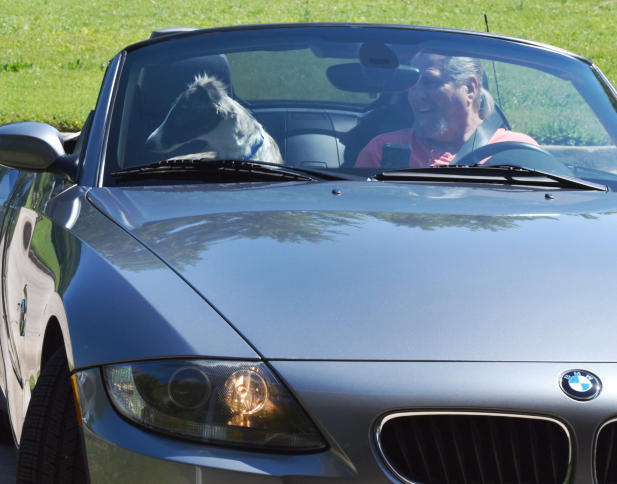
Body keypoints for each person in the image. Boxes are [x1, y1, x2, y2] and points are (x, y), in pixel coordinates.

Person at [354, 53, 537, 168]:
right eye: (413, 85)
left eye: (430, 82)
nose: (416, 96)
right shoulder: (383, 149)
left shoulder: (515, 150)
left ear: (469, 88)